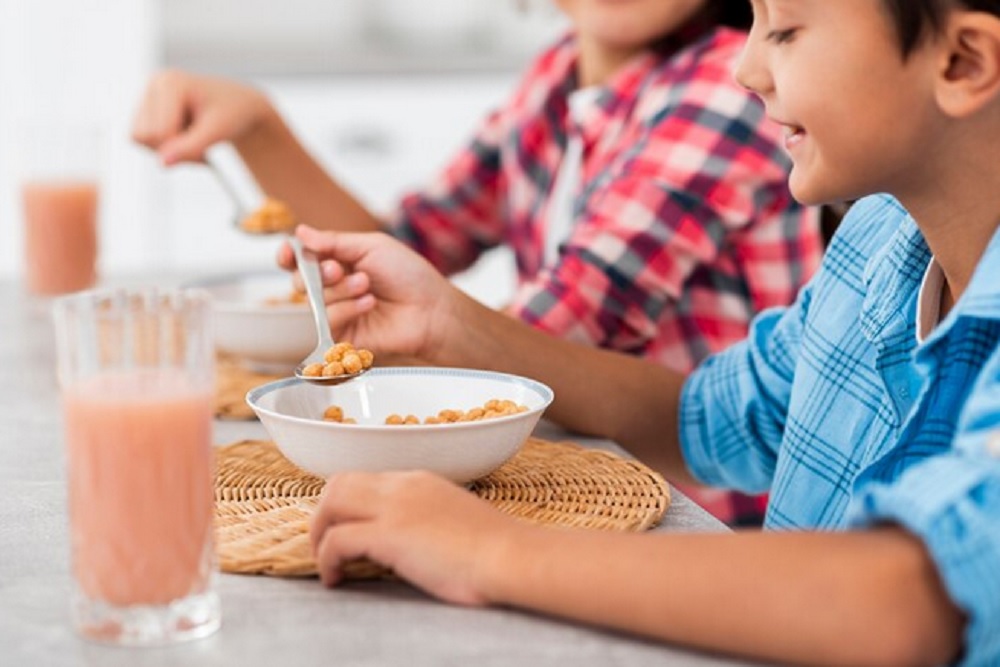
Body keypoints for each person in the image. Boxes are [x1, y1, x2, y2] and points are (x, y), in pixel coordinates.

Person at [274, 0, 1000, 663]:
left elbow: (910, 598)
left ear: (963, 62)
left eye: (783, 29)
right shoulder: (879, 241)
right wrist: (449, 323)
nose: (746, 69)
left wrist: (489, 548)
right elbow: (707, 416)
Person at [131, 0, 824, 526]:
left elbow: (561, 327)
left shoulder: (726, 89)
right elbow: (404, 245)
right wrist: (258, 126)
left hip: (694, 518)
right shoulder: (555, 77)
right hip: (567, 472)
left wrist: (423, 326)